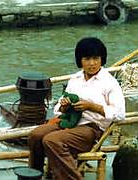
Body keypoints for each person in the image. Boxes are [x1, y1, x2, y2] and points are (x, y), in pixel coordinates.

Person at [28, 37, 125, 180]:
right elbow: (58, 107)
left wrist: (91, 106)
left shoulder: (110, 83)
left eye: (96, 58)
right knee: (36, 136)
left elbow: (120, 114)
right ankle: (35, 175)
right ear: (80, 60)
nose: (92, 63)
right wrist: (64, 106)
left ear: (102, 59)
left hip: (91, 128)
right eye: (87, 59)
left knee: (52, 140)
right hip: (68, 121)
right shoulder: (75, 79)